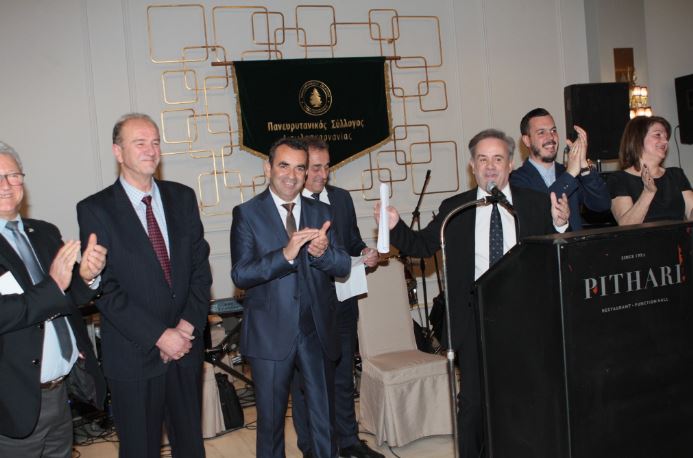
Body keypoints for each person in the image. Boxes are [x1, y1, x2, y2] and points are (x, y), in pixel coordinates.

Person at [374, 129, 569, 458]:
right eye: (483, 159)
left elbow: (555, 255)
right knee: (474, 405)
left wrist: (560, 224)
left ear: (510, 163)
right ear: (472, 165)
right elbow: (422, 246)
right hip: (474, 319)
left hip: (524, 322)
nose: (490, 166)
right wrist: (395, 225)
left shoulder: (534, 203)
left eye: (497, 159)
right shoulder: (456, 209)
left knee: (523, 400)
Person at [76, 113, 212, 458]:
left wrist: (185, 328)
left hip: (185, 350)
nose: (151, 150)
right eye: (140, 143)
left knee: (191, 447)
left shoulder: (182, 197)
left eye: (155, 142)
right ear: (118, 152)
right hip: (133, 357)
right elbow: (106, 289)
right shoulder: (96, 209)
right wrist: (160, 336)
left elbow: (200, 269)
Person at [231, 137, 350, 458]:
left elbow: (342, 265)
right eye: (284, 165)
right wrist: (285, 255)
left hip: (316, 333)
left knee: (323, 421)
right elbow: (241, 274)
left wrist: (323, 253)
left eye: (300, 168)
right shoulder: (247, 214)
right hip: (269, 336)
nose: (292, 175)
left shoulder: (322, 212)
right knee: (270, 425)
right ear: (267, 168)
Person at [0, 141, 107, 457]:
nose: (6, 185)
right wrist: (54, 286)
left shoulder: (44, 232)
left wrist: (87, 276)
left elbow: (69, 297)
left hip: (61, 395)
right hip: (13, 404)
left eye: (13, 175)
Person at [291, 137, 381, 458]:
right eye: (315, 167)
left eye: (327, 166)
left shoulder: (341, 198)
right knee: (306, 382)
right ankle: (312, 447)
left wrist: (366, 252)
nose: (323, 174)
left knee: (343, 375)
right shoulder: (290, 205)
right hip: (308, 308)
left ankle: (348, 441)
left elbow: (352, 241)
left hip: (344, 300)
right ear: (302, 168)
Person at [511, 107, 611, 230]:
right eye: (541, 132)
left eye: (553, 131)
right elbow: (539, 211)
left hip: (574, 242)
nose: (550, 137)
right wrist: (570, 173)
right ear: (527, 140)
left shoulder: (568, 173)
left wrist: (583, 165)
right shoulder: (517, 179)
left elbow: (602, 205)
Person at [608, 115, 693, 224]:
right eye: (658, 135)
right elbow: (626, 225)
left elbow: (690, 215)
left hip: (678, 236)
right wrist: (648, 193)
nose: (665, 141)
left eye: (666, 137)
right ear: (638, 139)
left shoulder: (676, 175)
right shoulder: (619, 179)